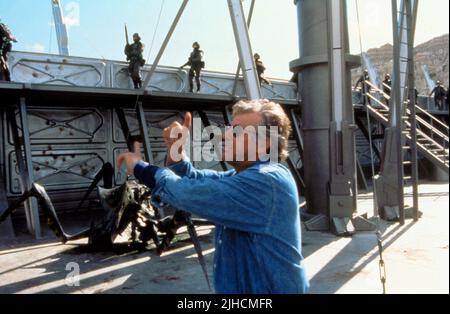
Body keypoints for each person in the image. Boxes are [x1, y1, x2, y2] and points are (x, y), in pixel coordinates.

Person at [117, 99, 309, 294]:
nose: (225, 136)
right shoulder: (242, 176)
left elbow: (186, 192)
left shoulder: (267, 181)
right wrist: (176, 149)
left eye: (236, 132)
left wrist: (140, 167)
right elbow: (196, 179)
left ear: (266, 142)